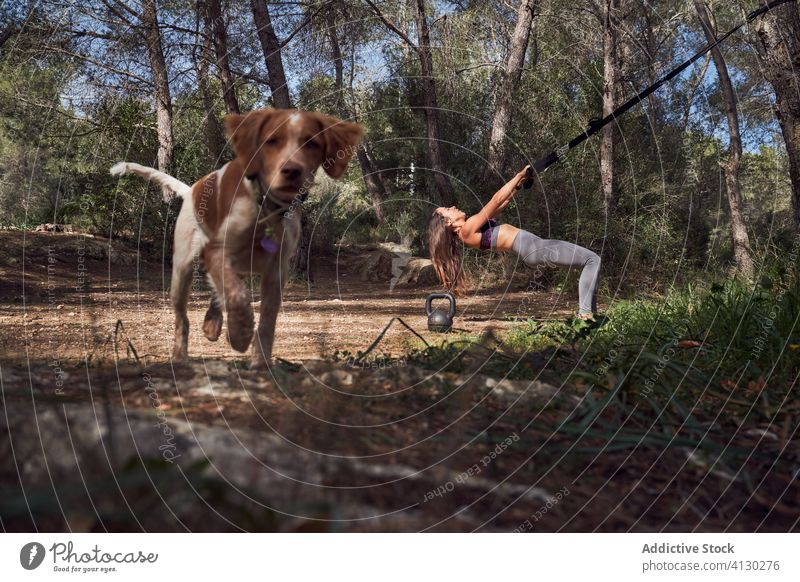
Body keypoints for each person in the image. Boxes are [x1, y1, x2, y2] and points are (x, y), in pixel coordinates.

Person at [427, 165, 601, 319]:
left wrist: (519, 183)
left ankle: (589, 316)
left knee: (589, 261)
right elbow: (495, 200)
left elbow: (502, 203)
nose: (453, 207)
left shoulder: (471, 227)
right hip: (534, 249)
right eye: (448, 209)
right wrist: (519, 175)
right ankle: (586, 316)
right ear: (448, 222)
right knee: (591, 260)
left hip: (534, 248)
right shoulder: (466, 231)